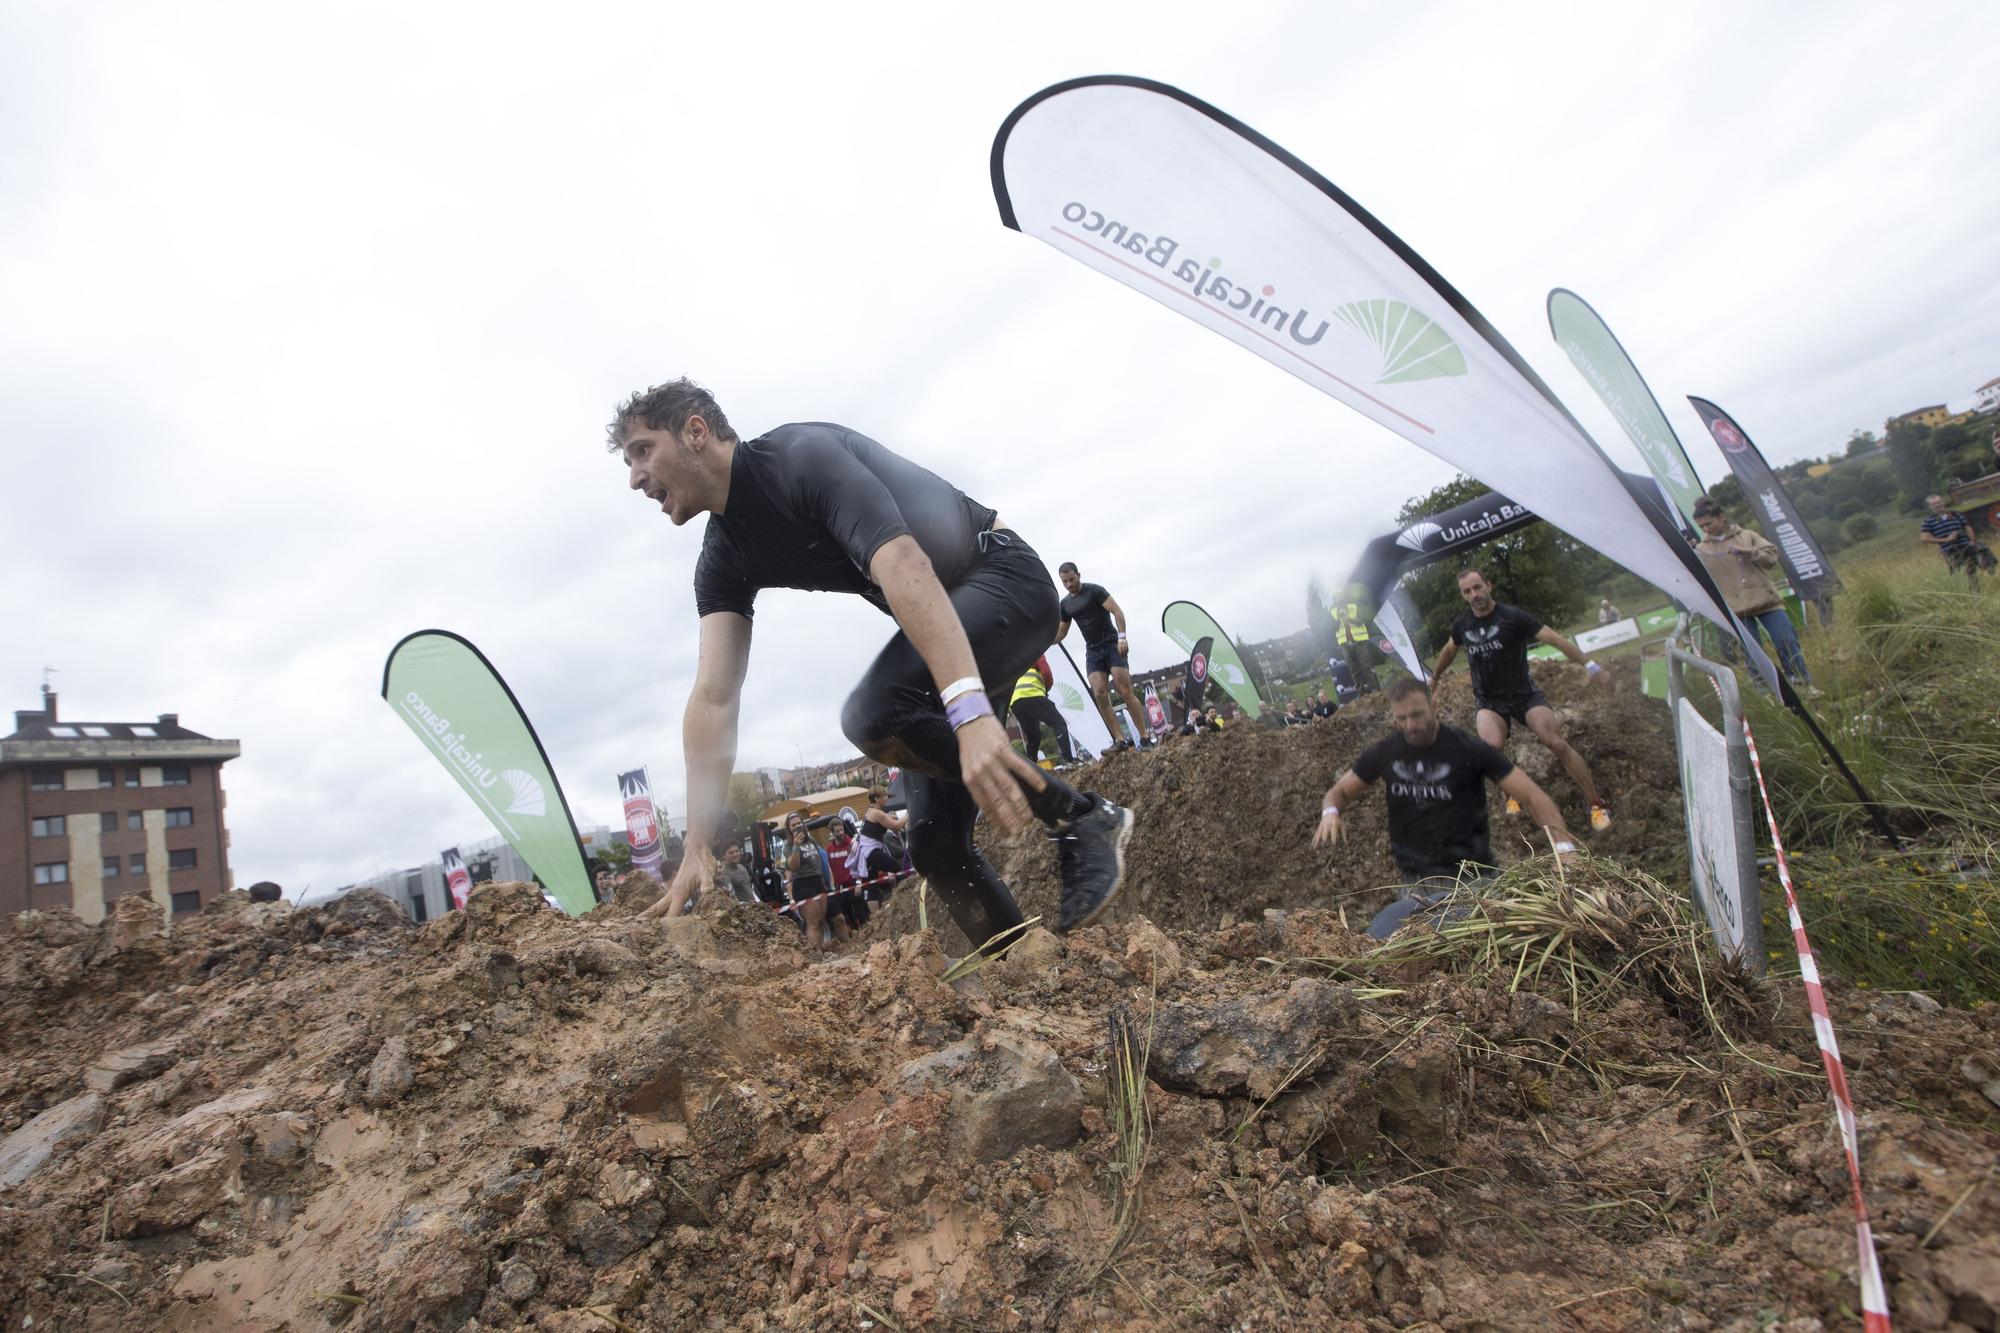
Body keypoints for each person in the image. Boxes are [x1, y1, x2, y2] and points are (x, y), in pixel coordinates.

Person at [615, 380, 1133, 944]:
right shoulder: (721, 559)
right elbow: (714, 697)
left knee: (875, 710)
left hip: (1005, 578)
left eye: (643, 450)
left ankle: (1080, 814)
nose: (635, 476)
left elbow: (905, 563)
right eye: (628, 461)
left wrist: (971, 714)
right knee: (935, 845)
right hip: (951, 634)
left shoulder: (799, 459)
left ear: (695, 431)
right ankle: (1027, 970)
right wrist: (695, 846)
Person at [1312, 677, 1576, 938]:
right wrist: (1331, 812)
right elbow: (1340, 792)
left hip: (1473, 878)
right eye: (1401, 718)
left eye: (1417, 715)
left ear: (1434, 705)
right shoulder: (1386, 752)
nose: (1410, 725)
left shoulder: (1467, 749)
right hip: (1417, 884)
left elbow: (1532, 795)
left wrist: (1563, 849)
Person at [1432, 568, 1612, 831]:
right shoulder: (1462, 626)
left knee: (1555, 742)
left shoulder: (1512, 617)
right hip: (1489, 701)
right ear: (1463, 596)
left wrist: (1592, 666)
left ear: (1489, 586)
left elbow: (1555, 639)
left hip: (1524, 695)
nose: (1474, 595)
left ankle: (1596, 804)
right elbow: (1449, 650)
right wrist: (1435, 677)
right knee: (1491, 748)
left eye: (1477, 587)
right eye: (1467, 591)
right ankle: (1512, 793)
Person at [1690, 497, 1814, 682]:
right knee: (1752, 654)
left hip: (1767, 601)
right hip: (1736, 610)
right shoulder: (1701, 550)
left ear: (1721, 517)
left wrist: (1750, 553)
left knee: (1786, 641)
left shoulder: (1747, 536)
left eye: (1709, 523)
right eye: (1702, 527)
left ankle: (1801, 680)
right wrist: (1688, 555)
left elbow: (1771, 558)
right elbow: (1696, 577)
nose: (1706, 529)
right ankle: (1766, 691)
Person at [1055, 563, 1152, 750]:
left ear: (1078, 575)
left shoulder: (1095, 591)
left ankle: (1145, 737)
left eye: (1072, 580)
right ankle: (1119, 740)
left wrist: (1122, 638)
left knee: (1124, 691)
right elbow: (1061, 633)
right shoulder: (1065, 604)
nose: (1069, 585)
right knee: (1099, 693)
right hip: (1093, 651)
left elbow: (1117, 611)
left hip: (1112, 645)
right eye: (1065, 582)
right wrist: (1042, 640)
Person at [1009, 655, 1075, 765]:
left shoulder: (1015, 657)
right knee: (1059, 724)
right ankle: (1069, 761)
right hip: (1032, 694)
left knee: (1033, 737)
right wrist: (1046, 688)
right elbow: (1046, 673)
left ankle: (1032, 770)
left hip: (1016, 702)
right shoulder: (1036, 649)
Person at [782, 812, 834, 949]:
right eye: (793, 825)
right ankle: (815, 955)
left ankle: (820, 950)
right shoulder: (787, 846)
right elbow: (792, 867)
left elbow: (821, 863)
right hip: (802, 883)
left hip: (818, 881)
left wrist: (829, 883)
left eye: (799, 823)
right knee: (813, 923)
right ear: (789, 828)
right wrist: (796, 846)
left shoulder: (812, 842)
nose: (797, 826)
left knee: (821, 920)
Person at [1919, 494, 1995, 585]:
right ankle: (1963, 591)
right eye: (1934, 504)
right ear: (1930, 506)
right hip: (1949, 550)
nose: (1937, 505)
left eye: (1938, 502)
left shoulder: (1955, 514)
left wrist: (1972, 540)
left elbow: (1967, 527)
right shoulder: (1928, 521)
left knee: (1976, 562)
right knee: (1957, 574)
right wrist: (1946, 540)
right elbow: (1924, 538)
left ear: (1942, 502)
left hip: (1966, 545)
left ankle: (1986, 576)